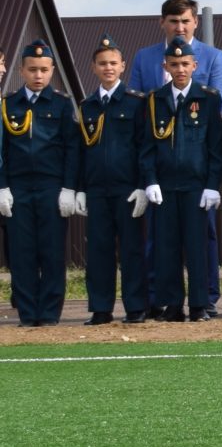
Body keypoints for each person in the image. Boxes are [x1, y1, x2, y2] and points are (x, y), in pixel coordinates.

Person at [140, 39, 222, 320]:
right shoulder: (154, 101)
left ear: (194, 66)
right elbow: (147, 146)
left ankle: (200, 305)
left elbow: (215, 147)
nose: (180, 69)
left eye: (185, 64)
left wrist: (213, 184)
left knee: (197, 247)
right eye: (174, 64)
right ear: (165, 66)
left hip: (196, 187)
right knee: (167, 247)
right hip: (164, 187)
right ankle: (173, 304)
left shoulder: (208, 99)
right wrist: (150, 180)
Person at [74, 36, 151, 324]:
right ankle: (101, 308)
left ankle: (136, 307)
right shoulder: (87, 106)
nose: (108, 68)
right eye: (102, 63)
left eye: (113, 63)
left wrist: (143, 185)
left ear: (123, 67)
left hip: (128, 189)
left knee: (132, 250)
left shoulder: (136, 103)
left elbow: (145, 147)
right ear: (93, 67)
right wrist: (80, 189)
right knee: (98, 251)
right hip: (96, 190)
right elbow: (82, 150)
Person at [3, 40, 79, 326]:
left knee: (51, 252)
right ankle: (26, 313)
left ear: (52, 71)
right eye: (32, 69)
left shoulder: (61, 104)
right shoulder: (8, 104)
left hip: (51, 186)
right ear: (21, 70)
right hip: (18, 188)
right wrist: (2, 187)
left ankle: (48, 313)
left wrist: (69, 188)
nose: (38, 75)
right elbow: (2, 150)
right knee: (22, 253)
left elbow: (72, 149)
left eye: (44, 70)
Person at [129, 0, 222, 96]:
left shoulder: (214, 57)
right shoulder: (143, 57)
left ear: (195, 22)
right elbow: (134, 102)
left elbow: (219, 105)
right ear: (162, 22)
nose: (180, 28)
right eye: (174, 21)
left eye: (185, 21)